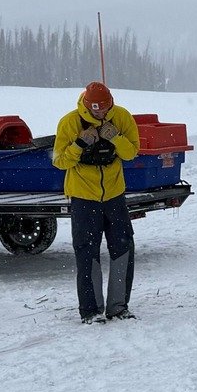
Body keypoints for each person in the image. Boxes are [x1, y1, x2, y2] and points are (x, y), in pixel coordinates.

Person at [52, 81, 140, 322]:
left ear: (110, 103)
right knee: (86, 251)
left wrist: (116, 138)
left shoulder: (122, 117)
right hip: (83, 197)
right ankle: (91, 311)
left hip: (114, 195)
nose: (100, 113)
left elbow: (131, 152)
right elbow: (59, 161)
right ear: (86, 106)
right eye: (95, 110)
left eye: (103, 109)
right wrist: (79, 144)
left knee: (123, 248)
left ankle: (118, 307)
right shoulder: (69, 122)